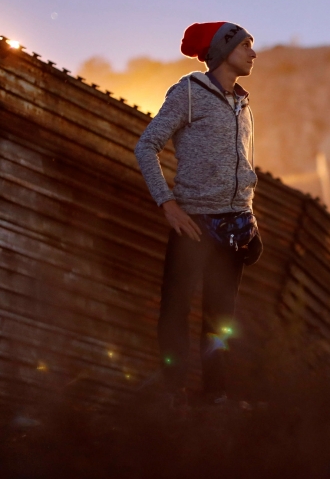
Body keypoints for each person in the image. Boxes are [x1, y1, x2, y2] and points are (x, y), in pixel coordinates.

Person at [134, 21, 262, 405]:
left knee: (220, 317)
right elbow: (146, 147)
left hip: (236, 226)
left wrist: (250, 217)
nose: (254, 54)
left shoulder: (243, 104)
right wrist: (167, 204)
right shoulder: (188, 94)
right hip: (194, 225)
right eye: (246, 46)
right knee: (175, 310)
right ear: (223, 52)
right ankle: (173, 394)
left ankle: (215, 398)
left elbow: (244, 166)